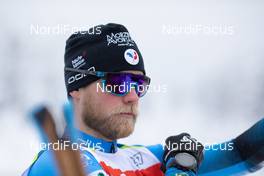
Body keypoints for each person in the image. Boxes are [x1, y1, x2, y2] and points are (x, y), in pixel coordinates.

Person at [22, 23, 264, 176]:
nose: (132, 96)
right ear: (76, 89)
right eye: (118, 83)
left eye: (139, 85)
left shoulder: (146, 159)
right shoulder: (57, 164)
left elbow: (241, 153)